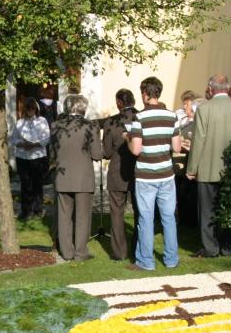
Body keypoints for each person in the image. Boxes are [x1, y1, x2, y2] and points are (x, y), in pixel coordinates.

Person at [186, 74, 231, 258]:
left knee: (207, 211)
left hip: (208, 167)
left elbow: (198, 141)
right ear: (227, 88)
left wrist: (191, 168)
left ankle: (210, 247)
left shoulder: (205, 110)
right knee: (229, 208)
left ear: (211, 89)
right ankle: (227, 246)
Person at [125, 76, 181, 271]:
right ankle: (171, 259)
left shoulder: (139, 118)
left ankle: (146, 261)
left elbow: (135, 150)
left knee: (145, 219)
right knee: (168, 218)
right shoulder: (172, 116)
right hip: (166, 174)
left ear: (145, 93)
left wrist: (127, 138)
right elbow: (176, 146)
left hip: (146, 176)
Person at [49, 94, 103, 261]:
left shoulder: (56, 125)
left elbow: (52, 153)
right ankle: (80, 252)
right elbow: (97, 154)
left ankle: (66, 252)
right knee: (83, 216)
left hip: (63, 176)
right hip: (83, 177)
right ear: (83, 108)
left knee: (64, 216)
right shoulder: (90, 126)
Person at [102, 89, 138, 261]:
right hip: (140, 170)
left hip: (118, 171)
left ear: (119, 102)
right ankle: (139, 248)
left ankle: (119, 252)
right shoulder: (142, 117)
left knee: (117, 212)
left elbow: (107, 152)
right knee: (142, 212)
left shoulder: (111, 122)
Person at [10, 97, 50, 219]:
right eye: (28, 108)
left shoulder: (42, 121)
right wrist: (22, 144)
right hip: (23, 157)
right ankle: (25, 210)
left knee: (37, 183)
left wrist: (35, 144)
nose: (30, 110)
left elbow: (47, 137)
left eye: (32, 108)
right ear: (25, 109)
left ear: (36, 109)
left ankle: (38, 209)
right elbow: (13, 139)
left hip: (38, 156)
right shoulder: (20, 122)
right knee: (25, 184)